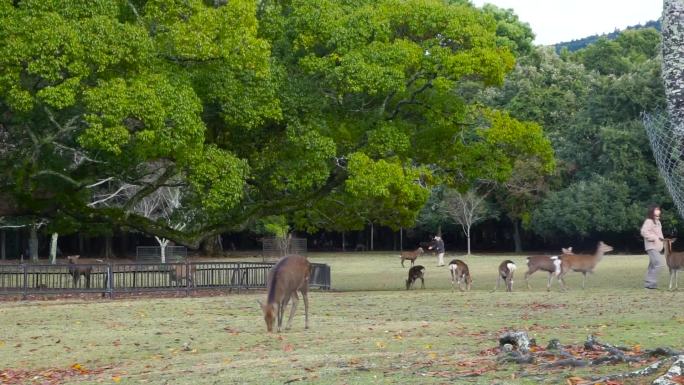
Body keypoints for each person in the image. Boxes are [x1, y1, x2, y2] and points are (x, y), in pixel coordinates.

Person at [640, 204, 665, 289]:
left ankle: (648, 284)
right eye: (656, 209)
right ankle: (651, 283)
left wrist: (661, 240)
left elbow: (658, 234)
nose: (658, 211)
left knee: (652, 266)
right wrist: (653, 238)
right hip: (651, 246)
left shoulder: (658, 222)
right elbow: (644, 232)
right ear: (652, 211)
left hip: (657, 247)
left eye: (658, 209)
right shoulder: (649, 221)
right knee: (659, 264)